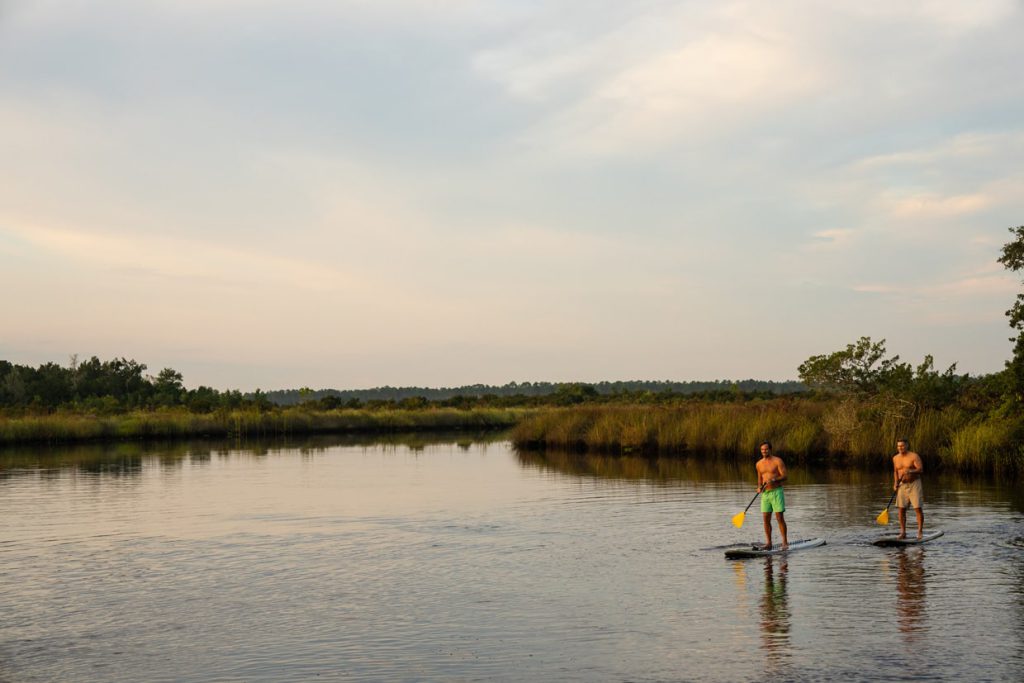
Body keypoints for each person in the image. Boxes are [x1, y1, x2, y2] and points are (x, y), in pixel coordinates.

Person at [756, 441, 788, 550]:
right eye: (762, 449)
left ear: (770, 449)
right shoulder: (759, 464)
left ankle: (784, 542)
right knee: (765, 519)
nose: (764, 451)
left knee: (779, 517)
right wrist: (759, 487)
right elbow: (760, 479)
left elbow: (785, 476)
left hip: (776, 492)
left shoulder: (778, 461)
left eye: (766, 449)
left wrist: (774, 479)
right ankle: (769, 543)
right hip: (765, 494)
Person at [892, 438, 924, 539]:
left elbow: (920, 469)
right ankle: (903, 532)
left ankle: (919, 532)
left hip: (914, 484)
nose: (900, 448)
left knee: (917, 508)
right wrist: (895, 483)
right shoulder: (895, 458)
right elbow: (895, 472)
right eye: (898, 446)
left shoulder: (914, 456)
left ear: (907, 445)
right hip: (902, 485)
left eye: (902, 445)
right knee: (901, 509)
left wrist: (910, 471)